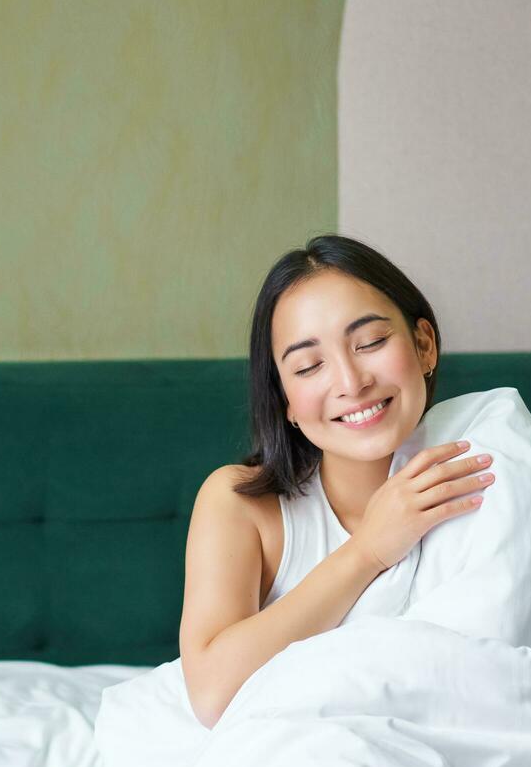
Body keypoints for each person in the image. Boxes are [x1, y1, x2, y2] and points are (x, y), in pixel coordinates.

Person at [180, 234, 495, 729]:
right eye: (308, 366)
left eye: (370, 343)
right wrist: (368, 550)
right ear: (284, 397)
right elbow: (211, 696)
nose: (351, 382)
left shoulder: (485, 466)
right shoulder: (240, 503)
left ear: (424, 345)